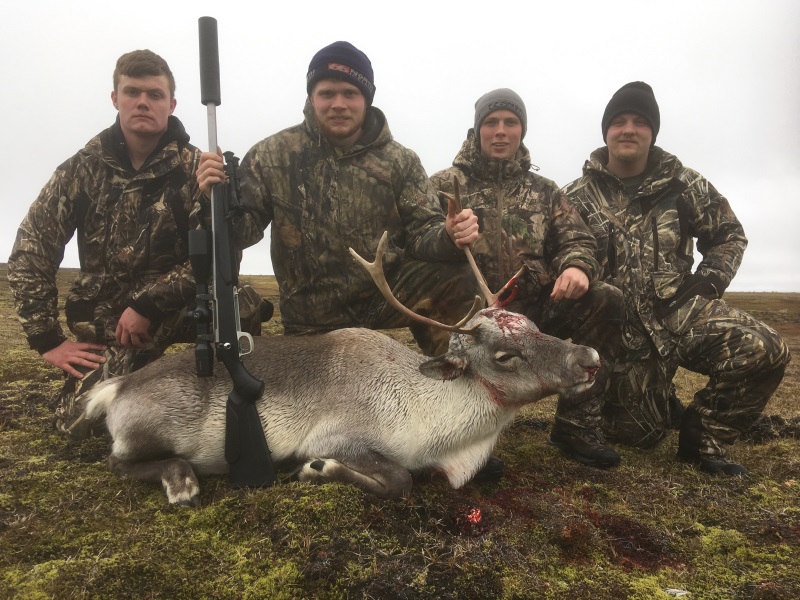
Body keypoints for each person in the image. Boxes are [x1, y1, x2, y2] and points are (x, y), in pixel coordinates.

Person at [7, 49, 267, 439]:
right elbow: (31, 250)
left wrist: (148, 304)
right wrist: (47, 339)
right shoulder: (80, 170)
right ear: (116, 98)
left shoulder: (200, 169)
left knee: (241, 302)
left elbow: (225, 251)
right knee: (79, 426)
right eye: (132, 92)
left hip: (179, 308)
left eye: (155, 94)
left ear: (171, 104)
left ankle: (231, 384)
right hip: (113, 325)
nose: (143, 102)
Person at [196, 41, 481, 358]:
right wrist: (214, 198)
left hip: (383, 298)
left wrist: (448, 234)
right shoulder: (271, 155)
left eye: (350, 93)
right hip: (310, 316)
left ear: (366, 99)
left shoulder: (401, 161)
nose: (339, 104)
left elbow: (422, 232)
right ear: (311, 97)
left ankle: (453, 374)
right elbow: (241, 233)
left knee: (456, 276)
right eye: (327, 93)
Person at [563, 81, 791, 476]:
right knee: (638, 434)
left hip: (678, 312)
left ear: (652, 132)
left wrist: (708, 282)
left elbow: (729, 234)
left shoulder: (685, 184)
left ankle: (704, 436)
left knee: (766, 350)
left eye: (639, 122)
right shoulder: (575, 196)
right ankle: (660, 403)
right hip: (617, 331)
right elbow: (556, 253)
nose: (628, 129)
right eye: (619, 122)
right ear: (606, 131)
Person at [430, 89, 625, 469]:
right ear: (477, 129)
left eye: (511, 122)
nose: (501, 131)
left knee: (606, 299)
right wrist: (445, 235)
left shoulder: (545, 191)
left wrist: (576, 266)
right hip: (465, 316)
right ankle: (457, 434)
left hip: (531, 314)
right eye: (491, 122)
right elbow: (415, 242)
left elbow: (577, 239)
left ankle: (577, 426)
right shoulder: (443, 185)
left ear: (522, 130)